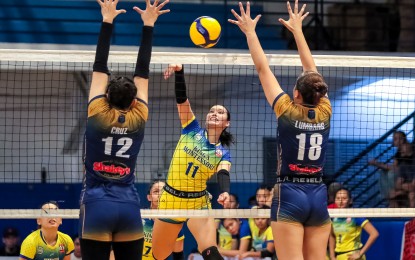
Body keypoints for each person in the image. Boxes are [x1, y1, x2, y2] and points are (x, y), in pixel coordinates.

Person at [230, 1, 332, 259]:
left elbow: (263, 68)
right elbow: (312, 71)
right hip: (318, 194)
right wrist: (298, 30)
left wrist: (250, 33)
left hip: (290, 195)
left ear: (295, 93)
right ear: (320, 95)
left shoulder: (286, 109)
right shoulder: (325, 110)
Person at [79, 0, 169, 260]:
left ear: (106, 95)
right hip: (128, 205)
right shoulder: (139, 114)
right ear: (133, 101)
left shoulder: (97, 111)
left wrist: (107, 20)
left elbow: (100, 65)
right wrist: (149, 24)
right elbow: (143, 71)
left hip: (96, 203)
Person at [152, 63, 234, 260]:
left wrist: (224, 192)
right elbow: (182, 100)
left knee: (210, 251)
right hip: (170, 200)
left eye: (220, 112)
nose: (214, 113)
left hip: (198, 202)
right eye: (212, 110)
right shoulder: (191, 128)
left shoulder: (222, 153)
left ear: (226, 123)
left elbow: (223, 173)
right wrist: (179, 73)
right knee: (159, 254)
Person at [328, 188, 379, 260]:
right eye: (338, 198)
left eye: (344, 198)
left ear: (350, 200)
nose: (341, 201)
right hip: (339, 256)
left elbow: (374, 233)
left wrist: (360, 253)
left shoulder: (355, 215)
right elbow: (332, 236)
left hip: (352, 256)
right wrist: (332, 256)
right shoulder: (333, 216)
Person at [143, 180, 184, 260]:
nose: (160, 195)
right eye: (156, 191)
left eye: (164, 192)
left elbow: (178, 255)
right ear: (149, 197)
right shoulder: (139, 218)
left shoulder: (173, 222)